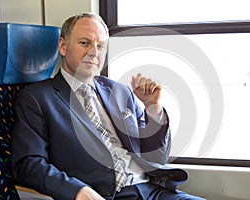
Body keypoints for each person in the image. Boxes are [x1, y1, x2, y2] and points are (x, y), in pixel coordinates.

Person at [11, 13, 206, 200]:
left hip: (152, 190)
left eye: (101, 46)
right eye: (84, 43)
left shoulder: (120, 91)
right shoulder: (37, 98)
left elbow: (156, 157)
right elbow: (29, 164)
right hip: (103, 194)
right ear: (63, 46)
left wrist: (152, 108)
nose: (94, 53)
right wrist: (77, 191)